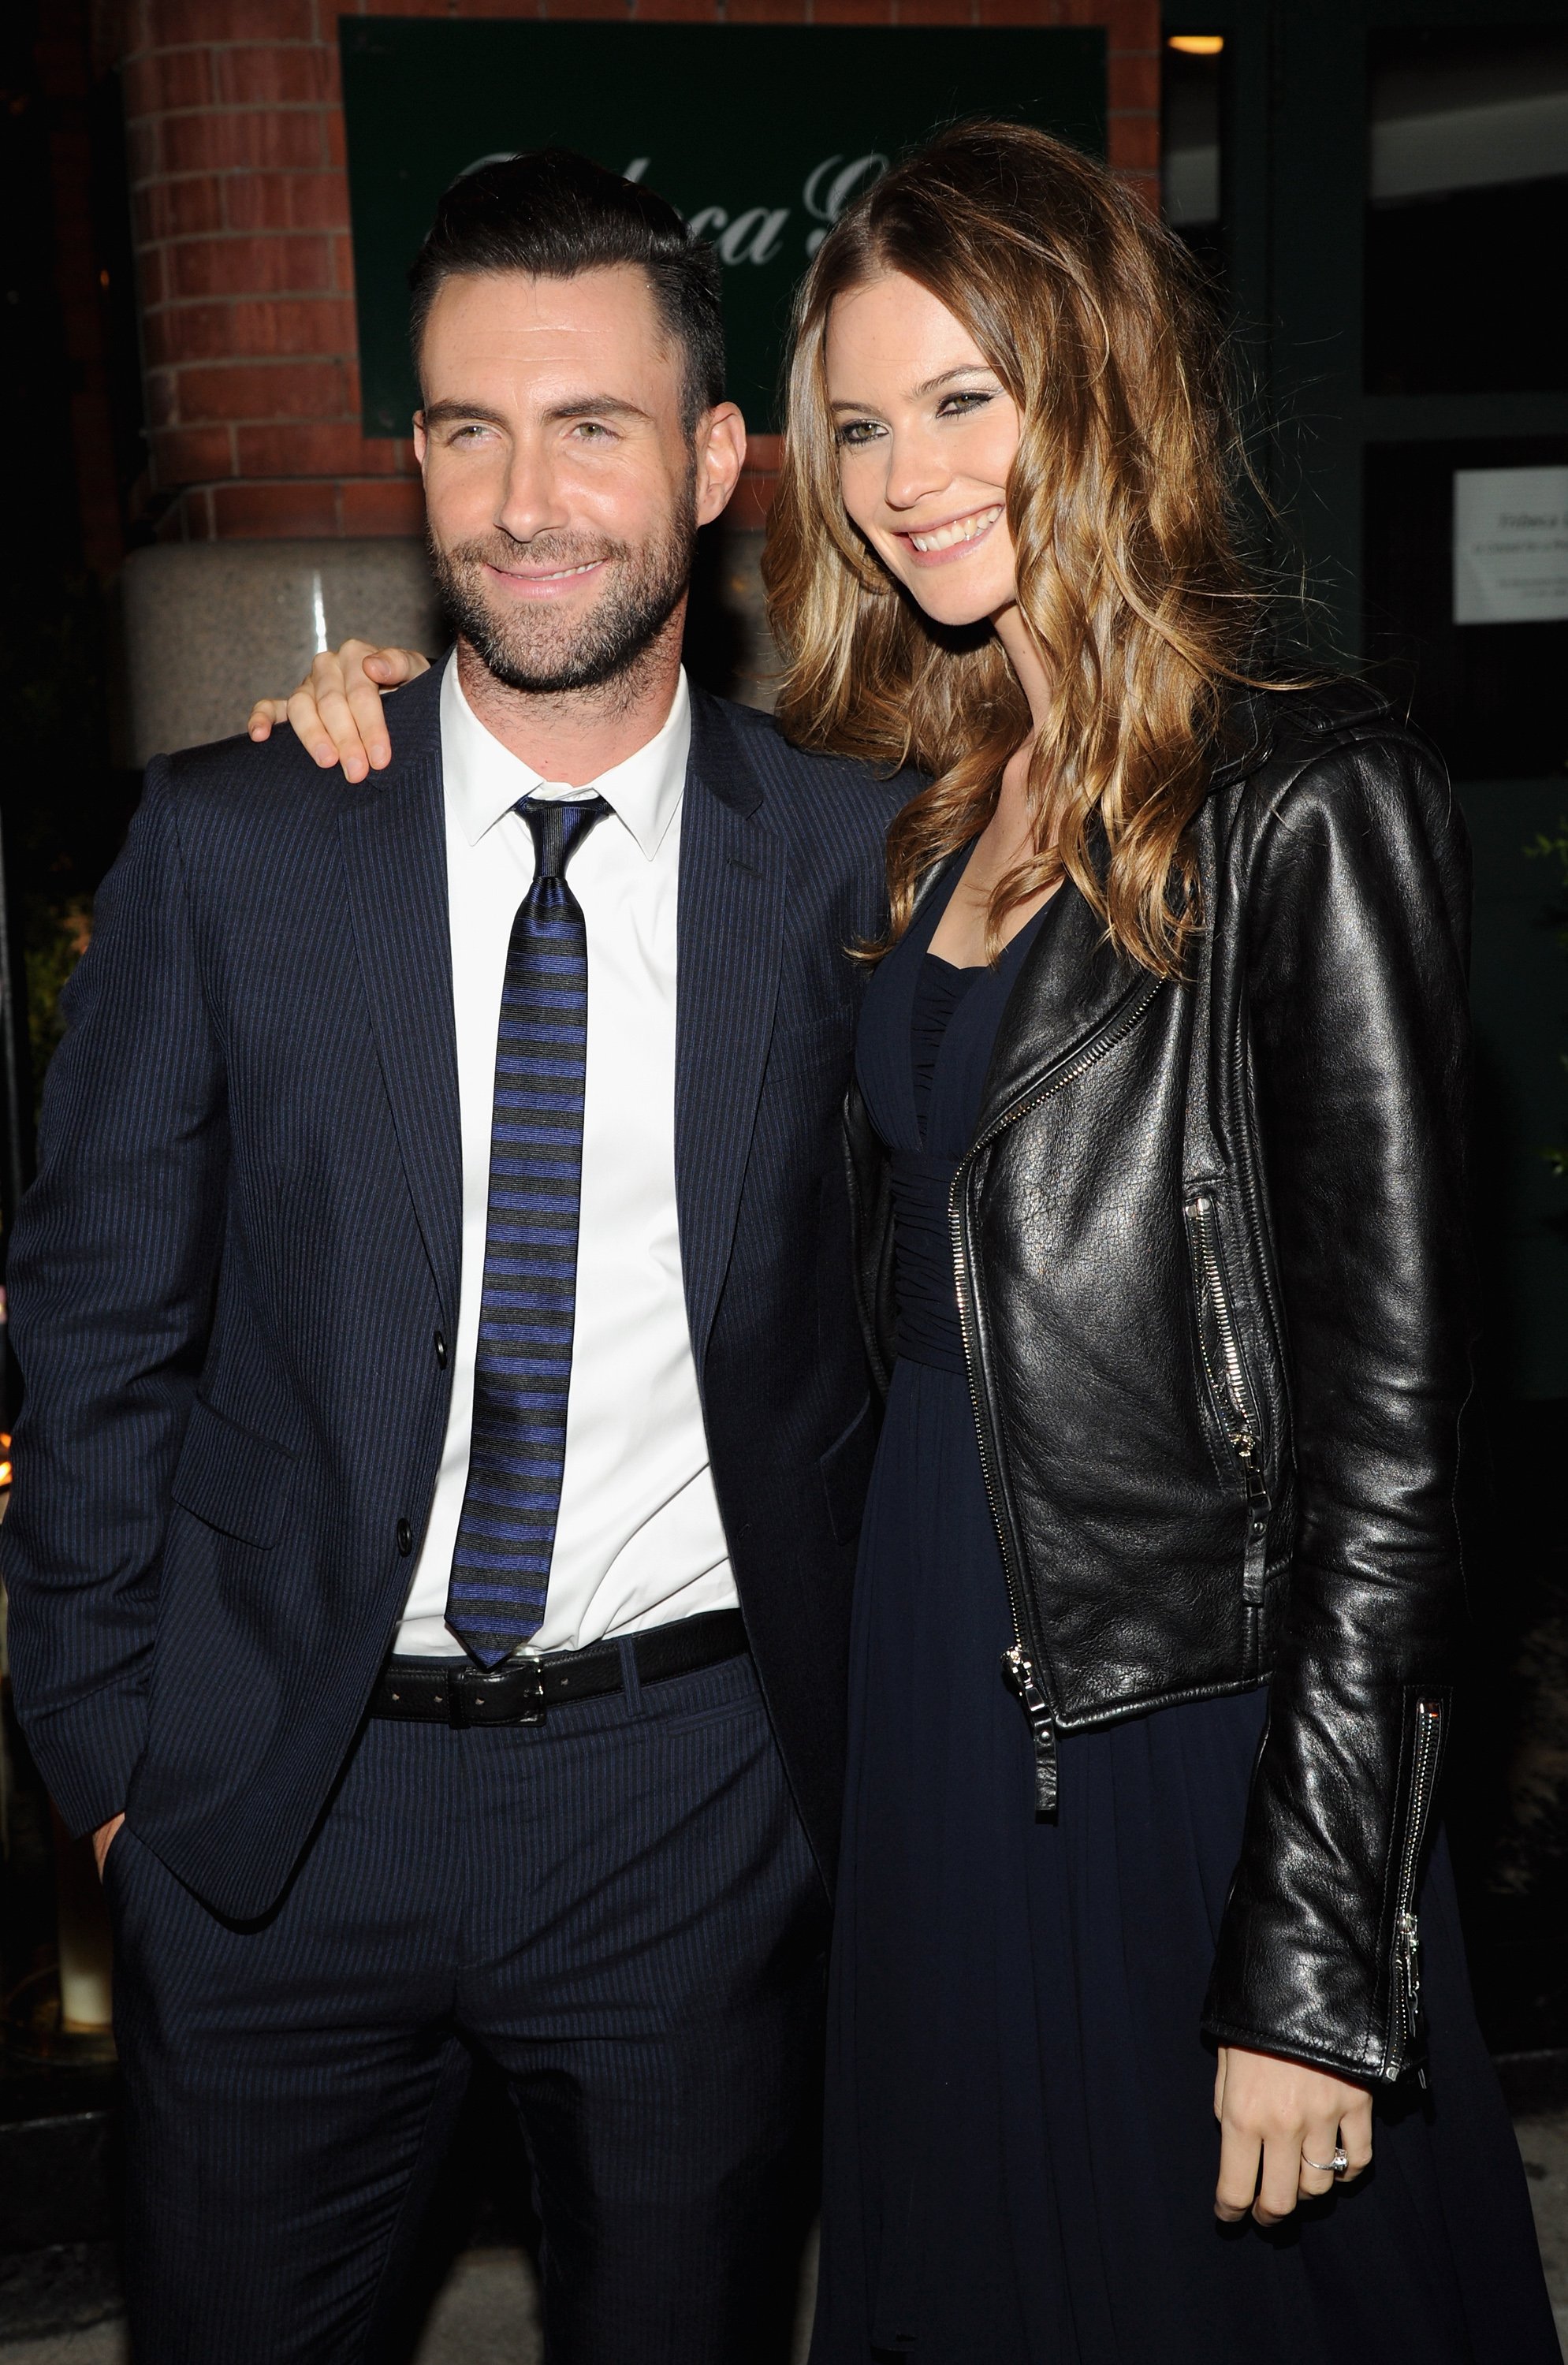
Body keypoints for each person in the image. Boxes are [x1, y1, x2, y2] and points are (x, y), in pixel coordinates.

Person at [292, 123, 1562, 2365]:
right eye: (860, 424)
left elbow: (1397, 1445)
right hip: (929, 1703)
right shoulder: (915, 802)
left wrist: (1315, 1947)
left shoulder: (1304, 792)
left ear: (1100, 389)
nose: (905, 476)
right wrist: (368, 740)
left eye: (965, 401)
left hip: (1184, 1720)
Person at [2, 151, 907, 2364]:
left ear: (710, 464)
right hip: (278, 1816)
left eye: (590, 426)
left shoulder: (864, 869)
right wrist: (110, 1770)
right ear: (413, 454)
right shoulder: (234, 849)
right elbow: (98, 1329)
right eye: (465, 428)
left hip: (691, 1805)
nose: (524, 498)